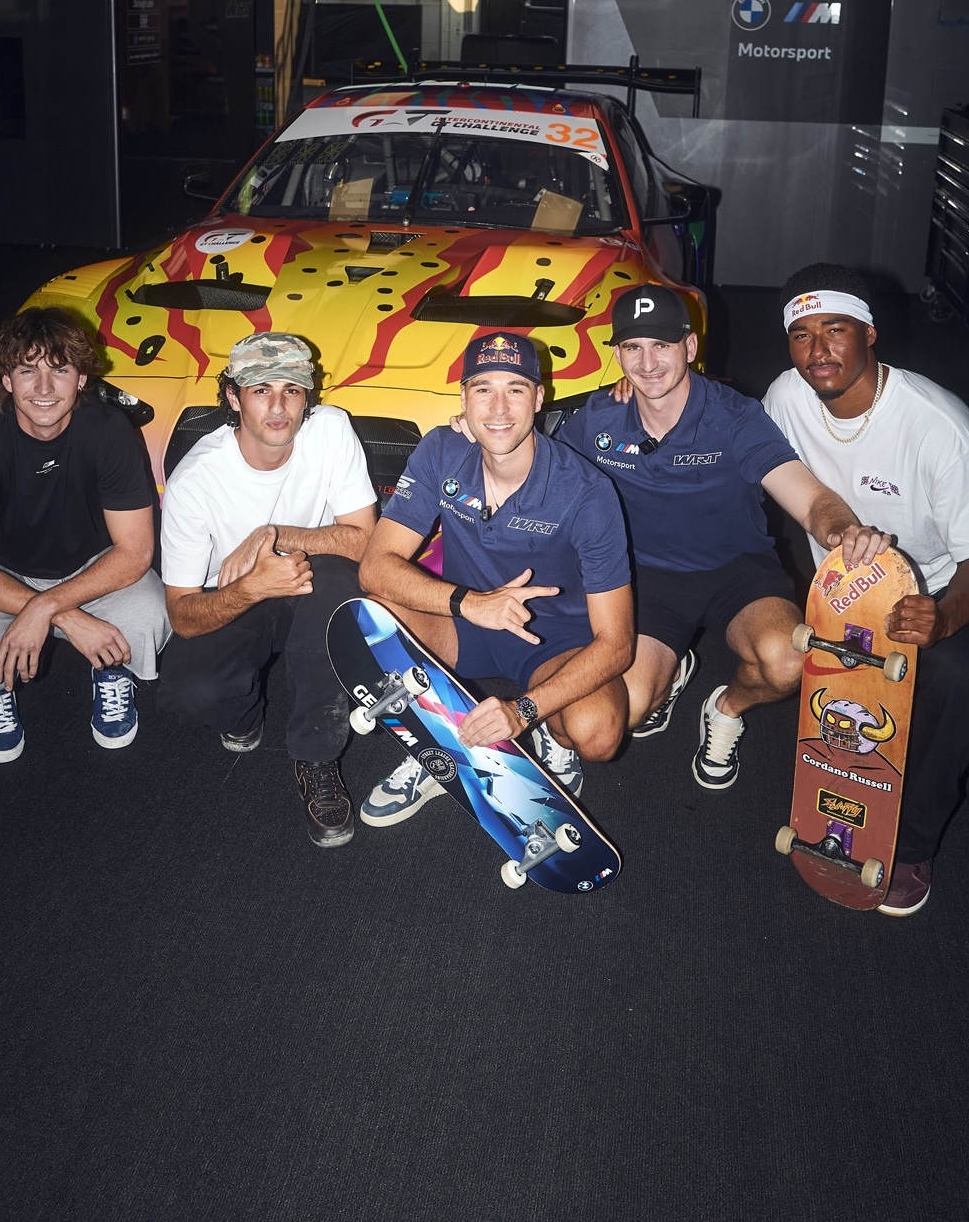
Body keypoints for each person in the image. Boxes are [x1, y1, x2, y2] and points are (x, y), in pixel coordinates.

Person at [764, 264, 969, 918]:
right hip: (852, 591)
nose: (818, 350)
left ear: (871, 333)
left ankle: (910, 844)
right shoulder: (785, 400)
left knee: (956, 678)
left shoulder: (937, 424)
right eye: (802, 335)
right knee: (843, 700)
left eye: (836, 330)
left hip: (952, 581)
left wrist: (941, 619)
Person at [560, 285, 888, 791]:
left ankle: (727, 706)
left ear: (689, 348)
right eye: (632, 347)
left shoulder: (736, 418)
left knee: (786, 663)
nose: (647, 364)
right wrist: (474, 432)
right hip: (644, 581)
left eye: (661, 346)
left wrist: (844, 530)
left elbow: (807, 496)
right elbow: (537, 467)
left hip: (736, 572)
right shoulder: (599, 418)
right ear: (618, 353)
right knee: (620, 713)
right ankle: (668, 673)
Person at [356, 330, 633, 827]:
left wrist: (523, 711)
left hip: (555, 640)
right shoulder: (441, 450)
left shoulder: (587, 492)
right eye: (483, 388)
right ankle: (437, 750)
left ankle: (549, 732)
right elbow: (376, 565)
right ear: (463, 398)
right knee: (374, 615)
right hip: (467, 622)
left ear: (539, 398)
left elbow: (617, 644)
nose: (499, 407)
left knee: (597, 734)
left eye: (516, 389)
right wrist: (471, 603)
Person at [158, 333, 377, 848]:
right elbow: (182, 616)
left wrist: (275, 534)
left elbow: (366, 543)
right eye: (260, 390)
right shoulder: (195, 481)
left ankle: (317, 757)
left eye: (292, 390)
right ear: (233, 397)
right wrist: (253, 587)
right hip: (236, 594)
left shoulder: (331, 430)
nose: (278, 407)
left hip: (310, 580)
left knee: (340, 584)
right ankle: (245, 712)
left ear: (308, 397)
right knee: (193, 692)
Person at [0, 308, 169, 763]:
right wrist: (64, 616)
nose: (43, 389)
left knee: (151, 613)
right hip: (4, 577)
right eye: (27, 371)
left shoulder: (109, 431)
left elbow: (135, 551)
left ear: (81, 379)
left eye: (59, 371)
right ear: (6, 380)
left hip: (93, 568)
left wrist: (47, 607)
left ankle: (111, 669)